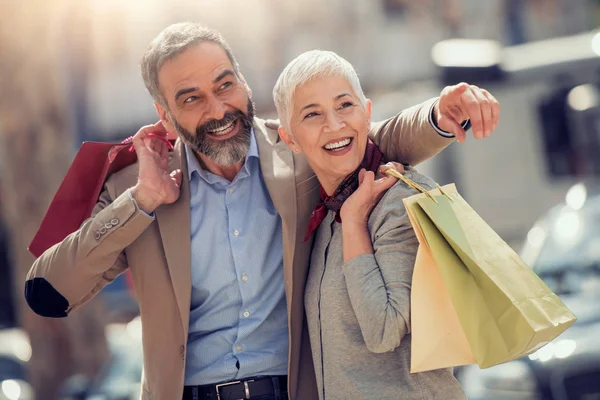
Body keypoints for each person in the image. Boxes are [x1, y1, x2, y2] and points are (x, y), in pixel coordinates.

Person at [24, 22, 498, 400]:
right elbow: (48, 290)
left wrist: (439, 113)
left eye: (224, 84)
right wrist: (141, 203)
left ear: (244, 82)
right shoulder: (138, 185)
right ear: (165, 115)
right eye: (191, 99)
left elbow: (375, 137)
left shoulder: (296, 151)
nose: (218, 109)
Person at [273, 50, 467, 400]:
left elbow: (384, 329)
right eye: (312, 114)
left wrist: (353, 224)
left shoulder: (399, 201)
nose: (334, 125)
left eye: (345, 105)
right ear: (290, 140)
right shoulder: (321, 218)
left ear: (367, 113)